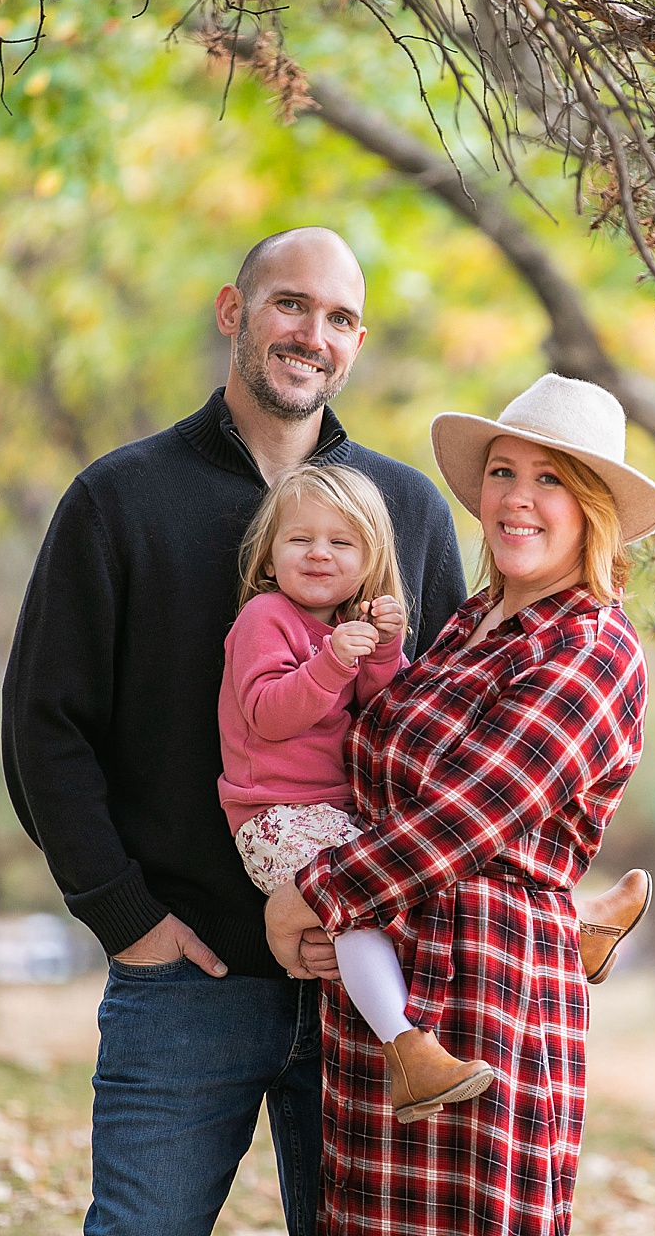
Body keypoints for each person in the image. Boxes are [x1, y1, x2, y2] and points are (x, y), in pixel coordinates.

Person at [0, 227, 469, 1236]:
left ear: (358, 341)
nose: (314, 333)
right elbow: (46, 729)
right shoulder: (119, 500)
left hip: (363, 985)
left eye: (340, 317)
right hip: (188, 982)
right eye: (290, 304)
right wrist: (126, 916)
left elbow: (440, 740)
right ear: (232, 312)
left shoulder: (411, 515)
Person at [262, 372, 655, 1236]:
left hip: (491, 995)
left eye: (550, 479)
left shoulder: (592, 644)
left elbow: (471, 812)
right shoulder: (471, 619)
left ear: (593, 507)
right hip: (388, 996)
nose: (518, 500)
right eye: (503, 473)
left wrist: (310, 893)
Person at [220, 462, 495, 1123]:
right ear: (270, 552)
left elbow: (387, 711)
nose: (319, 553)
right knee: (363, 901)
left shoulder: (347, 626)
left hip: (337, 817)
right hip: (274, 818)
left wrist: (383, 647)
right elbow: (268, 713)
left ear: (370, 560)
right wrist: (335, 659)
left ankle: (573, 924)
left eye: (341, 543)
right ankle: (408, 1050)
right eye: (301, 540)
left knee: (428, 860)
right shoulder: (266, 616)